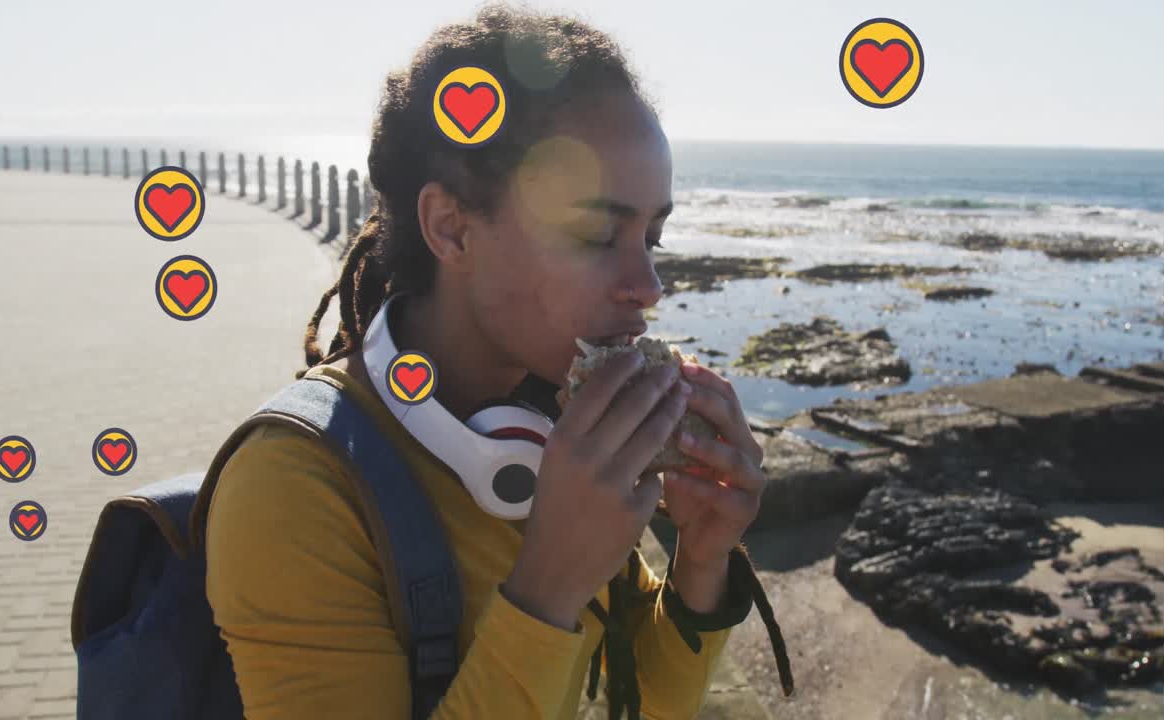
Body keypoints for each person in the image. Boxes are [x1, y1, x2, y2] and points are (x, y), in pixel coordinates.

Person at [201, 4, 792, 719]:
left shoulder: (554, 426)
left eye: (653, 237)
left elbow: (649, 706)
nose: (649, 285)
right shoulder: (293, 487)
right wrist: (547, 587)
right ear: (451, 228)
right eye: (599, 235)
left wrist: (700, 558)